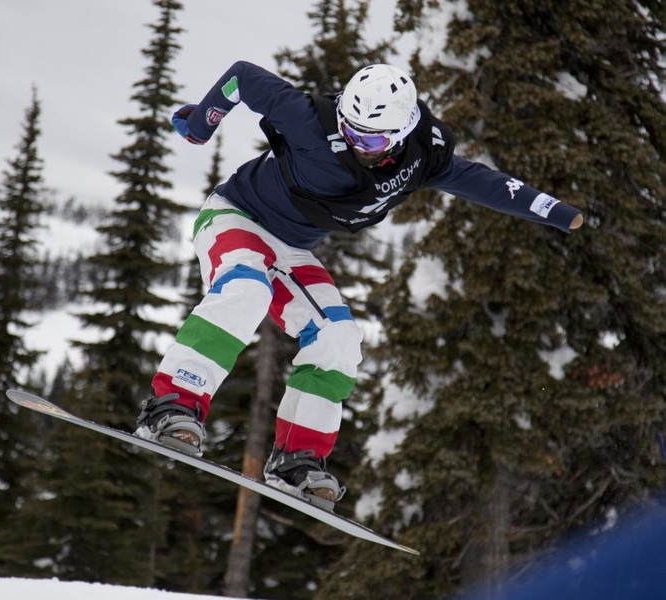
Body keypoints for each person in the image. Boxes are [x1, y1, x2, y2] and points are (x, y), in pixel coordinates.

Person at [134, 61, 583, 510]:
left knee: (338, 336)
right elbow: (242, 78)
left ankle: (297, 459)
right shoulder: (308, 120)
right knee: (246, 290)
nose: (356, 144)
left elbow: (483, 182)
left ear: (401, 135)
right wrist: (200, 125)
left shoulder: (423, 155)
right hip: (235, 216)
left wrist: (555, 210)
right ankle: (172, 404)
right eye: (351, 130)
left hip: (291, 249)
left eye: (371, 140)